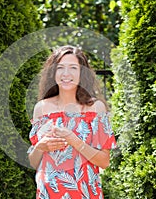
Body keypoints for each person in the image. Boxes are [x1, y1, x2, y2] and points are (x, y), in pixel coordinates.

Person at [27, 45, 116, 199]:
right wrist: (40, 147)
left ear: (82, 73)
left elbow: (104, 162)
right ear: (53, 72)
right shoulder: (41, 108)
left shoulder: (96, 108)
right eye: (60, 67)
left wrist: (74, 140)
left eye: (73, 68)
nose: (66, 73)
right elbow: (34, 163)